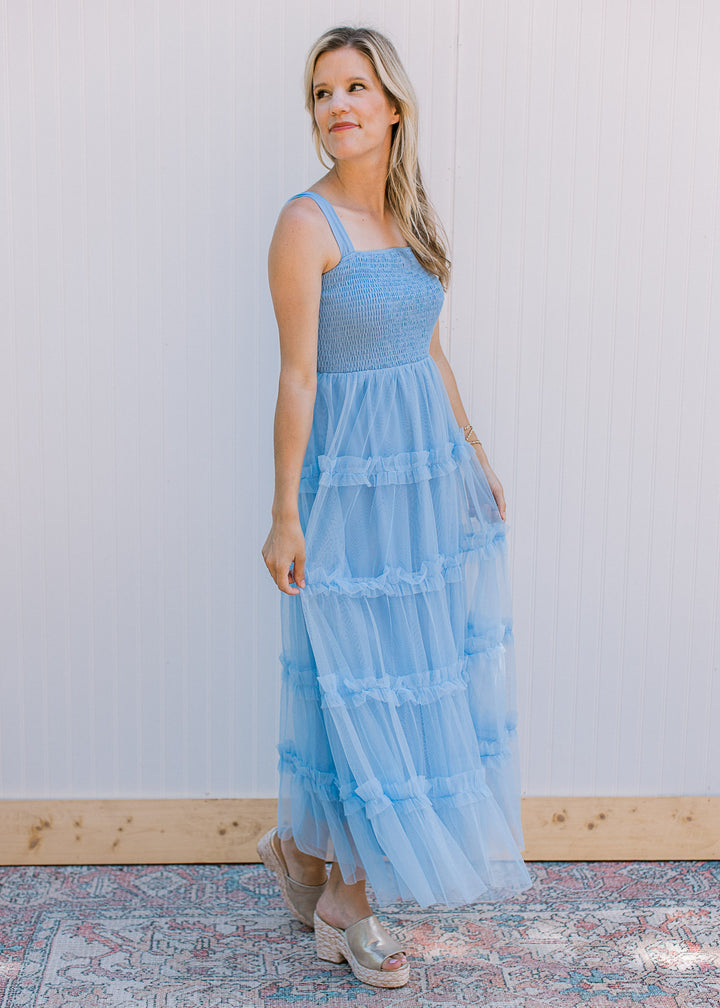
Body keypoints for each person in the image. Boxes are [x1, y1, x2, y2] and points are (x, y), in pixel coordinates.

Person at [258, 25, 533, 989]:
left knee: (409, 682)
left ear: (394, 105)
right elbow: (297, 380)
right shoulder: (305, 225)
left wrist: (473, 451)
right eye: (323, 92)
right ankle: (347, 899)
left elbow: (431, 352)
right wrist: (285, 514)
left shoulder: (410, 220)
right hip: (346, 491)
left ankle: (306, 858)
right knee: (356, 686)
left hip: (417, 487)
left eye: (356, 88)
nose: (338, 105)